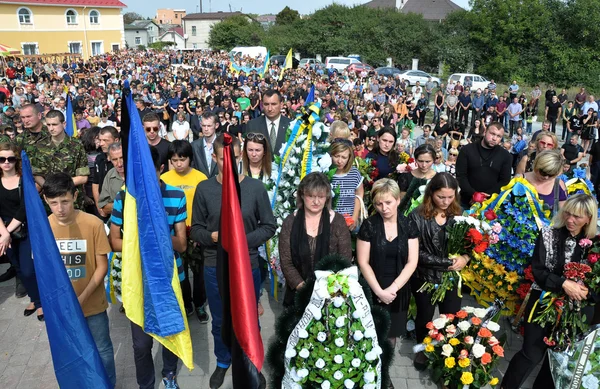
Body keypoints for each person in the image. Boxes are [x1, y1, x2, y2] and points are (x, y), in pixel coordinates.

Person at [190, 135, 276, 389]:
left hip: (247, 265)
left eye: (234, 158)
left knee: (249, 316)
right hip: (214, 264)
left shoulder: (255, 189)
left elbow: (269, 226)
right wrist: (213, 236)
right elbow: (195, 230)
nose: (228, 163)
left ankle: (251, 363)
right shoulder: (205, 189)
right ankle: (223, 361)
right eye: (222, 158)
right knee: (220, 319)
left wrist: (242, 242)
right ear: (215, 158)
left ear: (240, 157)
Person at [501, 194, 598, 389]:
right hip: (544, 300)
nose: (570, 220)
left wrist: (585, 292)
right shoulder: (549, 234)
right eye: (568, 214)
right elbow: (538, 270)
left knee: (558, 358)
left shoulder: (596, 243)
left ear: (589, 218)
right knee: (531, 352)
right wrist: (564, 283)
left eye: (577, 217)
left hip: (577, 309)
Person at [110, 146, 187, 389]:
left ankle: (170, 374)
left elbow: (182, 244)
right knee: (141, 344)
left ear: (160, 169)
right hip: (138, 282)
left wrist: (156, 237)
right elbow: (114, 241)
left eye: (148, 172)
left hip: (169, 278)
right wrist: (141, 242)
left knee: (169, 334)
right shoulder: (125, 197)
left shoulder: (175, 195)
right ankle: (146, 384)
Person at [44, 172, 116, 387]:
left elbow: (102, 266)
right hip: (61, 309)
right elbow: (45, 272)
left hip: (92, 304)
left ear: (74, 196)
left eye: (64, 201)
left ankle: (108, 384)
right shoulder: (45, 227)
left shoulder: (92, 223)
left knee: (102, 348)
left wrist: (82, 298)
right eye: (54, 203)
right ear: (46, 201)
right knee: (70, 351)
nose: (60, 208)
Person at [356, 179, 418, 384]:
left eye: (389, 202)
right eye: (379, 204)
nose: (384, 208)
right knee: (369, 332)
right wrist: (379, 291)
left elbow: (412, 261)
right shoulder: (369, 226)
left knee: (391, 336)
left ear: (398, 200)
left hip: (398, 289)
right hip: (373, 287)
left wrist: (392, 289)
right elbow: (363, 262)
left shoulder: (408, 224)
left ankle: (384, 372)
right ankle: (367, 371)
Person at [407, 173, 467, 371]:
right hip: (424, 276)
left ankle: (445, 352)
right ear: (431, 193)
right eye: (441, 197)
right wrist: (446, 262)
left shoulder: (458, 214)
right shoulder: (417, 215)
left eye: (450, 197)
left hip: (450, 278)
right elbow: (417, 253)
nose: (446, 201)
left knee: (450, 318)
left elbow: (469, 245)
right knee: (425, 317)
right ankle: (422, 350)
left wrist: (465, 258)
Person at [279, 172, 353, 305]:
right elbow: (286, 262)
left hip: (331, 294)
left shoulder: (337, 221)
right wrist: (304, 289)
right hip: (298, 294)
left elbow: (344, 259)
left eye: (321, 196)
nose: (316, 201)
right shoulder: (290, 222)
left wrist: (327, 290)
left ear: (327, 197)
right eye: (311, 196)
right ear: (302, 195)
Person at [161, 140, 209, 323]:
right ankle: (186, 302)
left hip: (196, 233)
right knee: (180, 273)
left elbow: (205, 208)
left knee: (199, 274)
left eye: (182, 159)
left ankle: (199, 304)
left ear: (190, 158)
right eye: (175, 160)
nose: (179, 164)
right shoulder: (165, 179)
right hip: (174, 235)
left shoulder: (200, 178)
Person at [0, 143, 41, 311]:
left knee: (28, 269)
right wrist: (4, 233)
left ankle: (40, 303)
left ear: (16, 160)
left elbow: (25, 208)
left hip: (23, 228)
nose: (6, 162)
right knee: (17, 268)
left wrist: (7, 233)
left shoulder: (24, 180)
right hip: (3, 230)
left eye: (10, 158)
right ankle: (34, 298)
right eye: (2, 159)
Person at [456, 123, 512, 209]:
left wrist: (484, 197)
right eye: (492, 134)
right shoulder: (467, 150)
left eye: (498, 136)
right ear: (485, 131)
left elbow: (504, 181)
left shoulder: (505, 156)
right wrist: (474, 195)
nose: (494, 138)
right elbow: (461, 176)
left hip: (491, 204)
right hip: (466, 201)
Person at [517, 150, 568, 215]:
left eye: (551, 175)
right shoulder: (520, 179)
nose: (546, 177)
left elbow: (562, 212)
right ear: (537, 166)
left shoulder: (559, 184)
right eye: (543, 172)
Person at [329, 138, 364, 230]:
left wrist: (355, 217)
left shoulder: (354, 173)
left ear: (349, 158)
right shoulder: (327, 173)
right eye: (336, 156)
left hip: (349, 219)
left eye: (344, 157)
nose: (340, 161)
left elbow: (359, 194)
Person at [244, 89, 292, 157]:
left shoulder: (291, 125)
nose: (270, 108)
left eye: (273, 104)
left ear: (281, 105)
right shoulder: (252, 125)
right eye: (266, 104)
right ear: (262, 105)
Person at [397, 144, 437, 215]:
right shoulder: (405, 177)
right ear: (415, 160)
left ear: (433, 160)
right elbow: (402, 203)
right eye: (420, 161)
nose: (424, 165)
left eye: (428, 161)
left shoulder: (438, 178)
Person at [92, 126, 119, 218]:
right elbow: (95, 184)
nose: (101, 144)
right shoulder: (99, 158)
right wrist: (99, 206)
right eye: (100, 140)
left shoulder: (123, 162)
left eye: (105, 140)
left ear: (116, 140)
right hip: (103, 207)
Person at [97, 142, 124, 216]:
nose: (119, 164)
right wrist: (122, 204)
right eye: (115, 159)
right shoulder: (110, 175)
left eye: (122, 158)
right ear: (110, 159)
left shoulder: (138, 174)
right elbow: (104, 207)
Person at [191, 112, 219, 178]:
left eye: (209, 126)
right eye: (203, 126)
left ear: (216, 125)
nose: (206, 129)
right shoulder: (194, 146)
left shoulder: (224, 145)